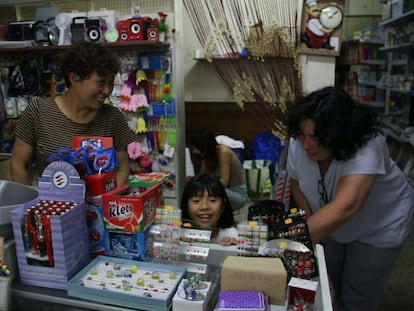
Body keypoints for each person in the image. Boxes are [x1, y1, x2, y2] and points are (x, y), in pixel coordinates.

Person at [286, 86, 414, 311]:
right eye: (303, 135)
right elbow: (297, 185)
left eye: (316, 138)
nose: (306, 145)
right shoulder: (300, 142)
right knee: (331, 281)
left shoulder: (367, 144)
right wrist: (313, 223)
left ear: (338, 135)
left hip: (379, 225)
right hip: (333, 222)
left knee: (357, 294)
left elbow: (347, 207)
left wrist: (286, 244)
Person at [11, 42, 136, 186]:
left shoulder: (113, 117)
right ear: (74, 78)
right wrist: (29, 205)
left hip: (99, 207)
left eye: (111, 83)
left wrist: (104, 204)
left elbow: (122, 169)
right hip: (52, 206)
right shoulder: (39, 110)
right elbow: (18, 165)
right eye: (101, 83)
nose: (107, 90)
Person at [189, 128, 248, 211]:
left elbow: (224, 182)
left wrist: (204, 187)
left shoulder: (223, 152)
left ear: (203, 146)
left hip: (237, 193)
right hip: (223, 190)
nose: (194, 151)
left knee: (208, 191)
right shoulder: (206, 155)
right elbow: (202, 177)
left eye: (195, 148)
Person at [180, 174, 238, 246]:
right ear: (186, 206)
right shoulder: (179, 235)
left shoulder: (232, 235)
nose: (204, 207)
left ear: (223, 205)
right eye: (196, 201)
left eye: (212, 200)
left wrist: (233, 246)